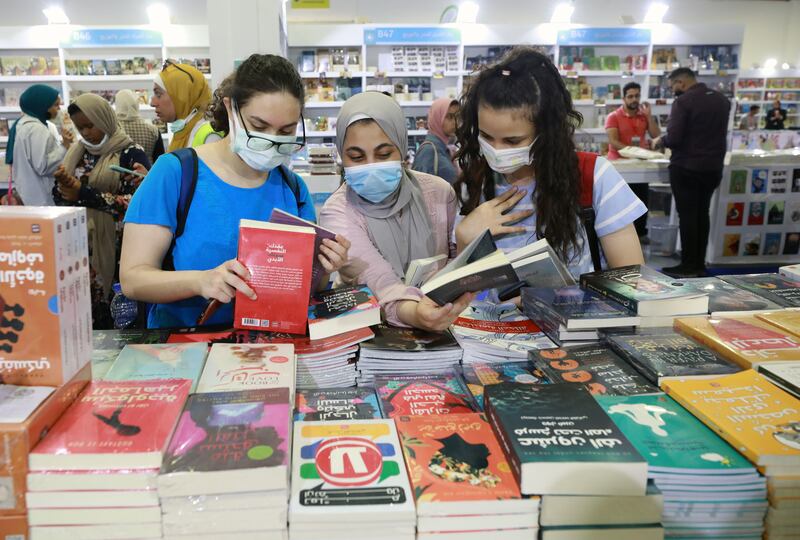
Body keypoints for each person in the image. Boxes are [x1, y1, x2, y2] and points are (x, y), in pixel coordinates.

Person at [121, 54, 350, 329]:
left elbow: (304, 287)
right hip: (185, 351)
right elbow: (133, 279)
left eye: (286, 130)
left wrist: (324, 266)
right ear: (230, 109)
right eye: (259, 126)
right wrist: (200, 281)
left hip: (270, 349)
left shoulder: (293, 188)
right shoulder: (175, 174)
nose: (271, 140)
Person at [454, 47, 646, 285]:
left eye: (513, 141)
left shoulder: (594, 176)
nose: (497, 150)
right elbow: (459, 289)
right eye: (486, 136)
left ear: (547, 131)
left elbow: (633, 283)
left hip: (574, 320)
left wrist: (541, 298)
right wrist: (465, 239)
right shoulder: (475, 181)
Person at [320, 92, 475, 332]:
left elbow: (455, 259)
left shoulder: (439, 193)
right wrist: (416, 313)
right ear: (342, 156)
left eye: (384, 154)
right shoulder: (338, 212)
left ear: (402, 149)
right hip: (370, 333)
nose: (371, 167)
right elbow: (379, 281)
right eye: (356, 157)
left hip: (444, 322)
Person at [53, 93, 152, 328]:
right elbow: (60, 197)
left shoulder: (130, 153)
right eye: (80, 128)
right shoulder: (76, 153)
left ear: (105, 119)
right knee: (88, 313)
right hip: (80, 247)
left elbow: (139, 203)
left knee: (119, 312)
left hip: (119, 247)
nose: (86, 133)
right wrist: (64, 190)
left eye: (90, 125)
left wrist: (84, 194)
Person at [652, 67, 731, 278]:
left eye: (673, 86)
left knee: (687, 216)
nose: (673, 91)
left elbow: (675, 137)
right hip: (713, 167)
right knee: (702, 214)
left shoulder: (683, 102)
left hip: (687, 167)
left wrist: (661, 140)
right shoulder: (722, 100)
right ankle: (698, 264)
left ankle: (687, 266)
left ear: (681, 82)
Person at [605, 81, 660, 243]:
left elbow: (656, 135)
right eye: (630, 96)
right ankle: (621, 236)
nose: (634, 99)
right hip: (620, 166)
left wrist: (649, 117)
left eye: (637, 96)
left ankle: (641, 233)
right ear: (624, 98)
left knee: (642, 199)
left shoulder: (644, 117)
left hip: (640, 166)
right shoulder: (613, 117)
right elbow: (613, 141)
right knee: (621, 201)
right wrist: (632, 152)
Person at [4, 85, 73, 205]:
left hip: (30, 194)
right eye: (55, 105)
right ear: (43, 106)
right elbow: (43, 166)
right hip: (41, 198)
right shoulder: (37, 129)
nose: (59, 109)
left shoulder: (23, 125)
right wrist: (64, 146)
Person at [151, 61, 221, 151]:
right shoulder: (183, 132)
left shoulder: (210, 136)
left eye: (158, 94)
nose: (152, 103)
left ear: (182, 95)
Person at [412, 98, 459, 184]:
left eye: (457, 117)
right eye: (450, 117)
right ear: (437, 118)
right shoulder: (428, 151)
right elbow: (420, 190)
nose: (455, 122)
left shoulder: (443, 149)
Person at [114, 89, 165, 162]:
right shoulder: (153, 130)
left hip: (118, 171)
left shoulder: (112, 129)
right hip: (147, 172)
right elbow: (160, 160)